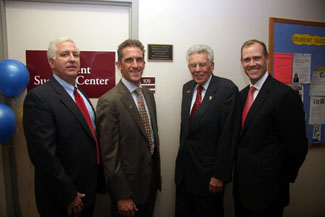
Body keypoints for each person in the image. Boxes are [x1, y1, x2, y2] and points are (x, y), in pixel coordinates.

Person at [23, 37, 105, 217]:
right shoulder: (39, 98)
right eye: (64, 54)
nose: (72, 58)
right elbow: (43, 155)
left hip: (87, 189)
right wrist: (68, 195)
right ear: (51, 62)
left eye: (76, 54)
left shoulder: (80, 92)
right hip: (63, 198)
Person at [234, 39, 308, 217]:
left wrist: (279, 180)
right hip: (242, 189)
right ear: (242, 63)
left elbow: (296, 147)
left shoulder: (284, 95)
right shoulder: (241, 96)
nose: (252, 64)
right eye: (247, 59)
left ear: (267, 58)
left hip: (269, 192)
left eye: (257, 58)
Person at [96, 39, 161, 217]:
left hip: (149, 184)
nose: (135, 65)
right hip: (128, 191)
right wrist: (122, 195)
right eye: (129, 60)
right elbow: (110, 155)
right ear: (118, 65)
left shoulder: (147, 95)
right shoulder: (109, 101)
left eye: (139, 60)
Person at [175, 44, 241, 217]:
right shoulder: (187, 88)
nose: (197, 70)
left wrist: (220, 175)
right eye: (192, 65)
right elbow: (186, 132)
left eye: (202, 64)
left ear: (212, 65)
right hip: (185, 176)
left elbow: (229, 135)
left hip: (209, 178)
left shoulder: (227, 89)